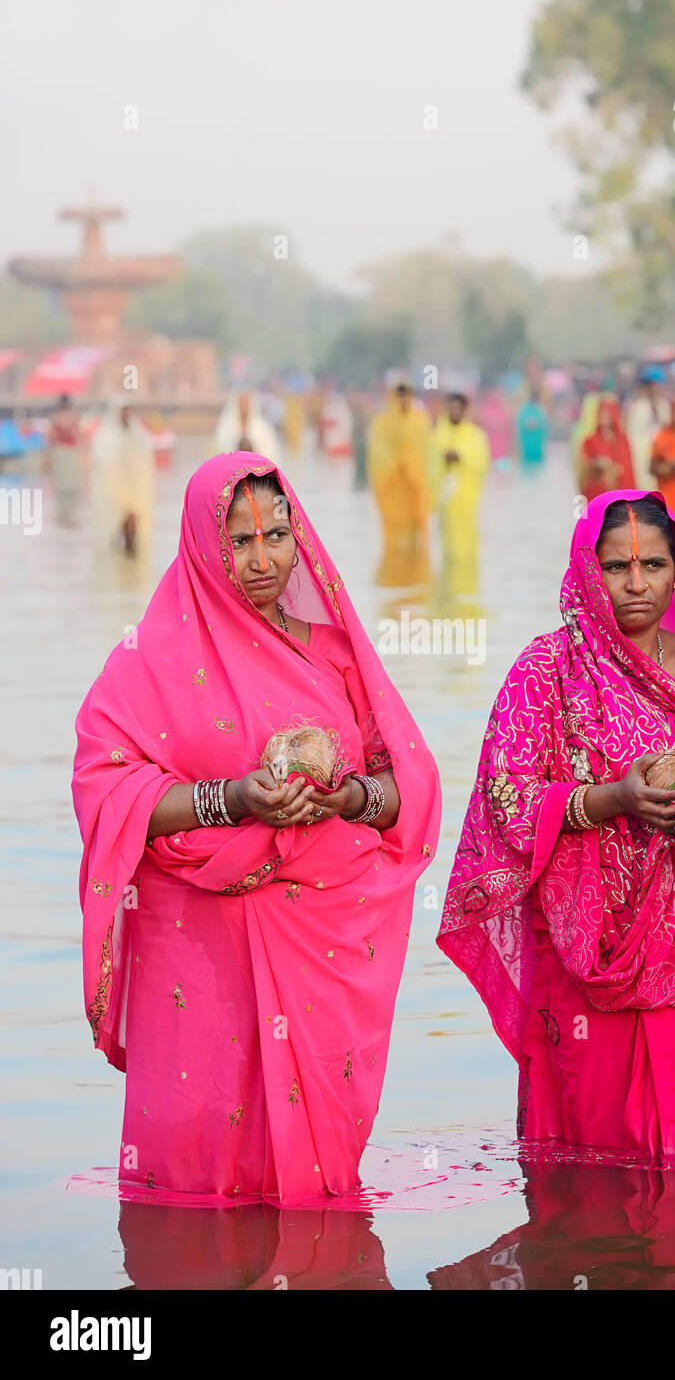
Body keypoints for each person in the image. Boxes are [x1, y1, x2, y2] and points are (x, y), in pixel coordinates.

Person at [72, 453, 440, 1204]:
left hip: (320, 942)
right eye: (241, 541)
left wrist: (345, 800)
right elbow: (104, 787)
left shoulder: (331, 654)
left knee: (318, 1200)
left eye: (279, 534)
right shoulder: (148, 663)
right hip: (199, 952)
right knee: (197, 1191)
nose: (264, 557)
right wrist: (233, 800)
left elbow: (409, 784)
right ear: (207, 547)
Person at [438, 491, 675, 1161]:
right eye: (616, 568)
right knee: (594, 1156)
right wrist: (611, 799)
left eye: (653, 565)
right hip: (585, 947)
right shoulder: (545, 670)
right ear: (587, 570)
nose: (636, 585)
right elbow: (504, 798)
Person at [367, 383, 431, 574]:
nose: (403, 400)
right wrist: (397, 465)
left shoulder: (421, 422)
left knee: (417, 543)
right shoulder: (382, 423)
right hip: (393, 488)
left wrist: (410, 466)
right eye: (399, 396)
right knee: (394, 545)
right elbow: (377, 454)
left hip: (415, 490)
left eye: (406, 396)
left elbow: (427, 453)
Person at [429, 393, 490, 593]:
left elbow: (481, 463)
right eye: (451, 408)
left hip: (467, 504)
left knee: (467, 551)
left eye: (458, 408)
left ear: (464, 410)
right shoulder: (439, 435)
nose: (455, 412)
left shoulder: (475, 435)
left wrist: (461, 457)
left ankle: (466, 593)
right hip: (446, 506)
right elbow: (429, 466)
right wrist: (444, 460)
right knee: (449, 551)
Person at [89, 402, 155, 560]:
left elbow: (145, 461)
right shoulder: (106, 436)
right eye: (123, 412)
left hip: (134, 491)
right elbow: (101, 463)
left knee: (133, 528)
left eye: (128, 412)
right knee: (115, 529)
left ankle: (130, 561)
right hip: (114, 492)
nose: (126, 415)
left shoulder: (137, 434)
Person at [577, 397, 635, 502]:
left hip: (619, 491)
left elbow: (629, 468)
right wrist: (597, 463)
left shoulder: (622, 440)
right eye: (601, 413)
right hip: (597, 493)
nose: (603, 417)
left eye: (606, 414)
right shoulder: (590, 441)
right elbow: (582, 468)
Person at [624, 378, 669, 490]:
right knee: (645, 482)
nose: (654, 391)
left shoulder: (664, 405)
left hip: (661, 449)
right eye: (652, 388)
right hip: (643, 450)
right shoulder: (639, 407)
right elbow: (633, 430)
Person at [48, 394, 84, 525]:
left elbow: (77, 436)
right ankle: (63, 509)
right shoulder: (57, 419)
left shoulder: (71, 418)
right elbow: (52, 437)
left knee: (70, 480)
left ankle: (69, 509)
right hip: (62, 452)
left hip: (69, 452)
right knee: (63, 481)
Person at [215, 391, 280, 462]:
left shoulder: (263, 429)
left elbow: (269, 452)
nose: (244, 406)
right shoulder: (225, 428)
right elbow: (221, 449)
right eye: (241, 403)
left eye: (246, 403)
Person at [516, 391, 549, 466]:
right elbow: (522, 422)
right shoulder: (525, 409)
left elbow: (544, 425)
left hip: (537, 447)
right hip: (527, 446)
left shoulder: (540, 410)